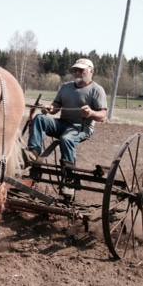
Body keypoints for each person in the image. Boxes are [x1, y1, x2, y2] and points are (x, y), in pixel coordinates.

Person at [26, 58, 108, 199]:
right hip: (63, 123)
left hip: (81, 127)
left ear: (91, 71)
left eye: (81, 70)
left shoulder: (97, 90)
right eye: (76, 70)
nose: (77, 72)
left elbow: (103, 116)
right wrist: (50, 109)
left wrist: (92, 113)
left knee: (66, 139)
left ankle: (69, 179)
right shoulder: (66, 87)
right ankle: (34, 157)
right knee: (39, 119)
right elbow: (55, 106)